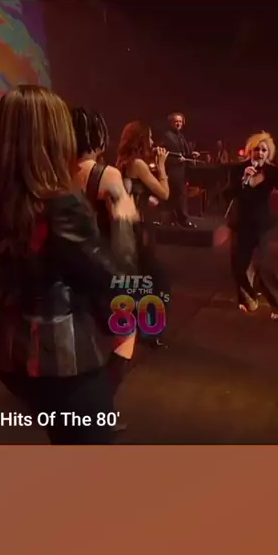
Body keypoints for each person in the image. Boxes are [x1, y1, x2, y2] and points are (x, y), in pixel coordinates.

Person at [0, 85, 137, 444]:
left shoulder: (4, 198)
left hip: (12, 352)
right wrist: (124, 220)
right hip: (63, 358)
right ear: (55, 135)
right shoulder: (61, 204)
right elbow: (118, 283)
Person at [71, 107, 138, 398]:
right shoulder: (105, 174)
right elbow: (123, 227)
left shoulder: (56, 172)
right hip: (101, 263)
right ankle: (100, 399)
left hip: (66, 265)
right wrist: (128, 277)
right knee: (126, 331)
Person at [225, 131, 278, 319]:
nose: (259, 153)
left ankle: (277, 303)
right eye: (256, 150)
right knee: (239, 266)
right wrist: (243, 179)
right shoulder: (238, 169)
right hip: (241, 223)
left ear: (268, 153)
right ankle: (249, 297)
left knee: (262, 265)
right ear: (250, 151)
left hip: (262, 225)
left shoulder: (272, 172)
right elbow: (227, 194)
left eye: (263, 150)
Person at [116, 121, 171, 348]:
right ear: (140, 140)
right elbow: (165, 193)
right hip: (141, 229)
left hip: (128, 228)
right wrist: (162, 166)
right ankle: (150, 332)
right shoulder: (138, 164)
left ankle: (134, 330)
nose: (152, 142)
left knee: (138, 279)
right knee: (157, 282)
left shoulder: (122, 163)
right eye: (148, 138)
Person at [160, 112, 199, 228]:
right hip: (172, 170)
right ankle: (182, 220)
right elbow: (164, 153)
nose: (178, 123)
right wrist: (176, 160)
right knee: (179, 195)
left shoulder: (180, 136)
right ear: (171, 123)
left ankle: (174, 219)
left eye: (180, 121)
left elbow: (183, 152)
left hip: (181, 169)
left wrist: (191, 155)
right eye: (176, 121)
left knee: (178, 195)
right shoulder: (167, 136)